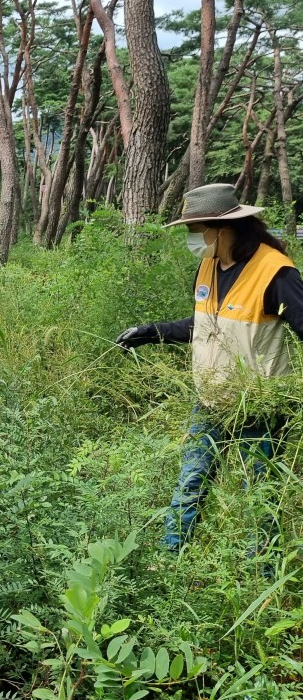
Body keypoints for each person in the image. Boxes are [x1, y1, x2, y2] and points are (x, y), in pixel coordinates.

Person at [116, 183, 303, 553]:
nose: (192, 238)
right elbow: (204, 324)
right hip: (211, 398)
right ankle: (171, 561)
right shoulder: (209, 265)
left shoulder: (275, 272)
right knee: (191, 482)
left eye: (194, 229)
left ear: (223, 228)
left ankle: (262, 574)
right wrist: (152, 332)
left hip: (260, 407)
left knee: (259, 496)